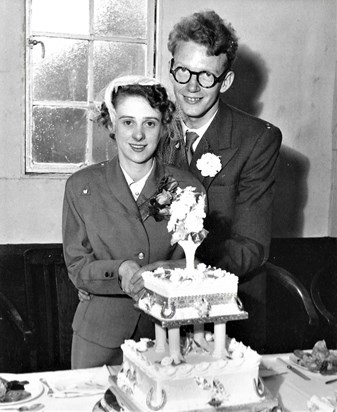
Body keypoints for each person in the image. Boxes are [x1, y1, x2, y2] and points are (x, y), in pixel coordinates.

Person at [160, 10, 282, 352]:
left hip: (225, 313)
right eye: (182, 71)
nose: (191, 86)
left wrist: (178, 272)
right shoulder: (153, 126)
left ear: (225, 82)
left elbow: (251, 247)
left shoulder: (257, 140)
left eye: (206, 76)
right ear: (172, 68)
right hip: (157, 306)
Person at [62, 75, 205, 368]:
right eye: (128, 122)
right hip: (100, 339)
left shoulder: (188, 188)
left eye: (149, 123)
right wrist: (121, 270)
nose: (138, 135)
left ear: (164, 127)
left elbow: (199, 263)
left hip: (170, 335)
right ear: (111, 124)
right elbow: (78, 267)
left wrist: (159, 272)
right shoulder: (81, 186)